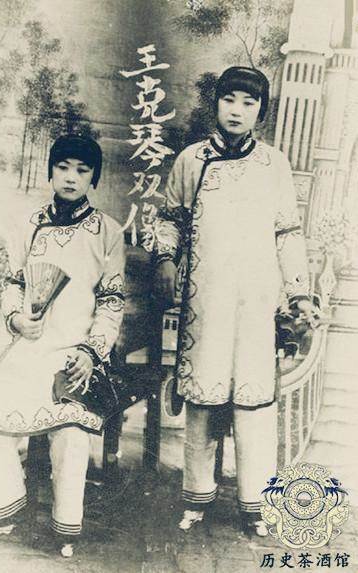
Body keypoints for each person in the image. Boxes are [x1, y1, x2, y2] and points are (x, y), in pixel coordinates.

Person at [152, 66, 316, 536]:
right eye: (229, 100)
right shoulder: (192, 160)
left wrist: (298, 291)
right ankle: (196, 499)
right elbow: (170, 219)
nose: (237, 111)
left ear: (260, 111)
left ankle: (254, 506)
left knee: (253, 404)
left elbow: (288, 233)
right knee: (203, 402)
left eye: (248, 102)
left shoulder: (274, 165)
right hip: (205, 303)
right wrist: (165, 258)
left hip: (256, 304)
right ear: (216, 104)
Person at [0, 134, 125, 557]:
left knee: (71, 430)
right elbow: (13, 284)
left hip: (75, 353)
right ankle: (4, 511)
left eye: (82, 170)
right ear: (51, 171)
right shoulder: (29, 225)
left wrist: (91, 352)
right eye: (63, 167)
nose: (71, 177)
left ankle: (66, 528)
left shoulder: (108, 232)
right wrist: (17, 319)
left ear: (94, 177)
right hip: (29, 345)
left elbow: (112, 302)